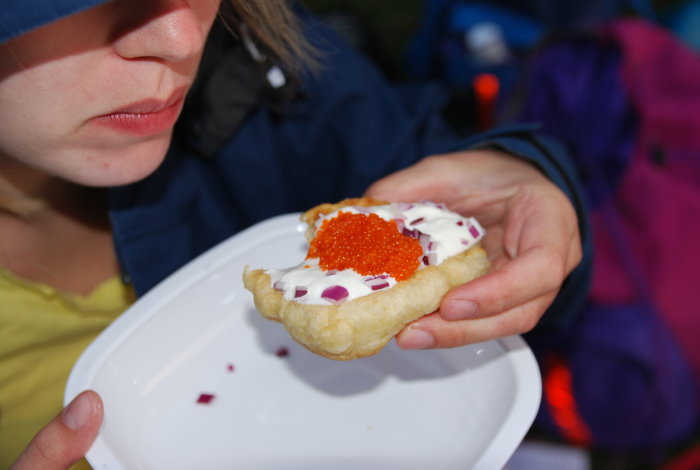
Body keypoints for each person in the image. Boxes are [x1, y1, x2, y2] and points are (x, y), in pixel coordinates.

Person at [0, 0, 590, 468]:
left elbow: (437, 168)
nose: (179, 39)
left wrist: (523, 173)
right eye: (69, 1)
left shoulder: (267, 76)